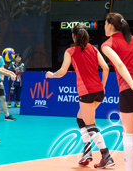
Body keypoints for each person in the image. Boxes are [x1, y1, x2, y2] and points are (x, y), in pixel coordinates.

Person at [46, 24, 115, 169]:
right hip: (99, 92)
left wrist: (52, 75)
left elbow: (62, 71)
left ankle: (106, 156)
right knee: (80, 118)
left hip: (87, 92)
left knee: (90, 125)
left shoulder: (70, 51)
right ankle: (87, 152)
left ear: (73, 36)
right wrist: (103, 85)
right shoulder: (93, 48)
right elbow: (106, 67)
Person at [101, 13, 133, 171]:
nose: (103, 26)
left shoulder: (107, 45)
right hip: (131, 87)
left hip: (129, 90)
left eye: (104, 23)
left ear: (110, 26)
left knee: (129, 134)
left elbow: (120, 66)